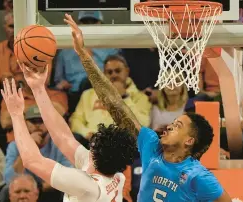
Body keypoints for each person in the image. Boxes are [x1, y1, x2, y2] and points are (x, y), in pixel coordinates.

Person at [64, 13, 232, 201]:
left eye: (177, 126)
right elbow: (114, 103)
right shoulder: (151, 145)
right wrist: (84, 56)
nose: (169, 126)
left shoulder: (198, 176)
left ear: (189, 141)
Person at [1, 77, 137, 202]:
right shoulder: (117, 176)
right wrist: (38, 88)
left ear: (96, 155)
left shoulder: (86, 185)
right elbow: (63, 138)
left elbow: (31, 160)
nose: (90, 148)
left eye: (93, 146)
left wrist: (16, 115)